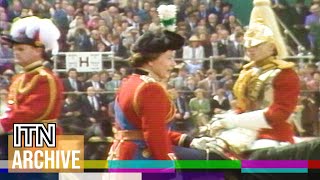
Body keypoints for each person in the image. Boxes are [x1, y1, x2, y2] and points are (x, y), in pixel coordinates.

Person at [108, 5, 225, 161]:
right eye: (169, 58)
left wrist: (190, 141)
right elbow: (154, 136)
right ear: (150, 60)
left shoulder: (130, 81)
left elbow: (148, 130)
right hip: (142, 157)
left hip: (125, 155)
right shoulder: (150, 88)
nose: (173, 64)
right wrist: (167, 167)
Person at [204, 0, 300, 154]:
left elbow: (280, 114)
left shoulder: (284, 73)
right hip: (244, 129)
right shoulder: (248, 70)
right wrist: (225, 118)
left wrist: (233, 121)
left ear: (271, 46)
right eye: (248, 46)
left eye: (256, 46)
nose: (250, 50)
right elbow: (244, 106)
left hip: (272, 133)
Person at [0, 16, 63, 136]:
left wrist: (4, 124)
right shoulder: (18, 78)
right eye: (14, 49)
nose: (15, 52)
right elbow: (12, 109)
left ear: (38, 51)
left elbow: (31, 112)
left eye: (21, 49)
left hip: (43, 138)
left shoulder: (45, 79)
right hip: (20, 136)